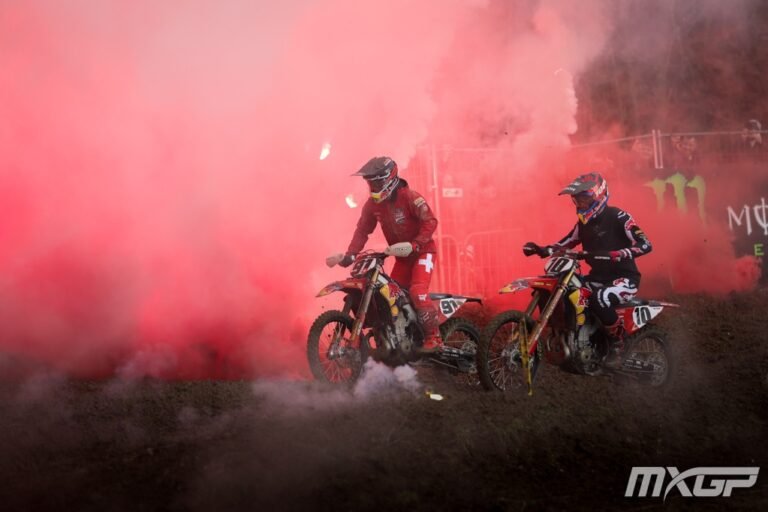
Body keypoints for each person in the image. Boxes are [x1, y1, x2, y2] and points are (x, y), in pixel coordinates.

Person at [522, 172, 652, 369]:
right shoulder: (583, 225)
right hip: (597, 277)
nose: (580, 204)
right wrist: (542, 249)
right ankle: (579, 339)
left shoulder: (618, 216)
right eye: (577, 200)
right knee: (571, 293)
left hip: (625, 278)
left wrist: (617, 254)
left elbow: (645, 244)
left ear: (598, 196)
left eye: (584, 199)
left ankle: (619, 344)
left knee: (599, 298)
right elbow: (565, 243)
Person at [339, 156, 442, 353]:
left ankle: (434, 336)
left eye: (377, 182)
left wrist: (416, 244)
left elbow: (431, 221)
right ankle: (401, 338)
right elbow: (362, 231)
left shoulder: (409, 196)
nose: (373, 186)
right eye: (371, 183)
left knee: (417, 290)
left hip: (423, 252)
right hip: (402, 258)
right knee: (390, 298)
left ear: (389, 178)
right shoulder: (372, 205)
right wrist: (351, 254)